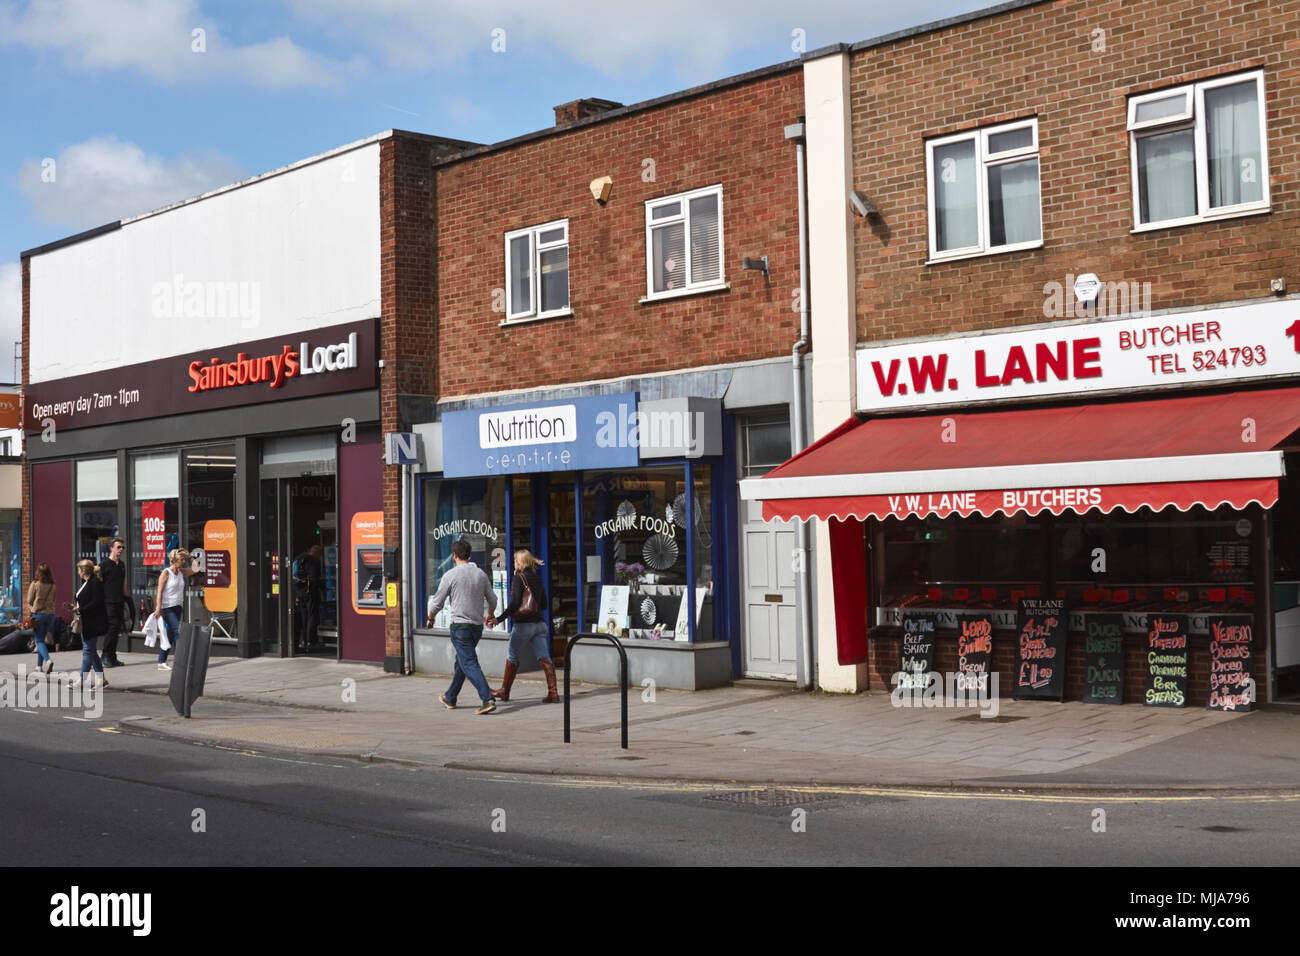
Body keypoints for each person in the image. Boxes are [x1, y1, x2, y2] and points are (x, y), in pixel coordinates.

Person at [425, 539, 498, 715]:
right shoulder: (480, 574)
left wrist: (431, 618)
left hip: (460, 627)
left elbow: (437, 602)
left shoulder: (450, 575)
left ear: (454, 556)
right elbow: (493, 599)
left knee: (469, 662)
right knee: (462, 662)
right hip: (476, 627)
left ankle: (487, 698)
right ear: (469, 554)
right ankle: (450, 697)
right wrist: (491, 614)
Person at [487, 549, 559, 703]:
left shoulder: (518, 578)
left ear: (520, 563)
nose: (513, 563)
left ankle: (504, 691)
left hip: (523, 625)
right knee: (544, 656)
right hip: (539, 624)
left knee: (512, 654)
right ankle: (553, 692)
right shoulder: (537, 578)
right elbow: (545, 604)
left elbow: (514, 603)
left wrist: (499, 619)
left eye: (515, 561)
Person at [153, 549, 200, 671]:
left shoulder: (181, 572)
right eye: (181, 559)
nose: (183, 562)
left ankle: (161, 661)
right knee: (177, 631)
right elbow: (159, 591)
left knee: (170, 635)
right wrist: (158, 608)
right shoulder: (166, 573)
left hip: (178, 606)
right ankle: (182, 662)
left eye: (184, 559)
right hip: (166, 608)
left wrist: (190, 556)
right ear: (174, 561)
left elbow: (196, 569)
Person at [69, 559, 109, 688]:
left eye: (79, 569)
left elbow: (96, 602)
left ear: (83, 570)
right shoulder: (87, 583)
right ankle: (101, 679)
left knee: (87, 651)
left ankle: (81, 680)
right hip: (85, 621)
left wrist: (80, 609)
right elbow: (84, 602)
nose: (78, 572)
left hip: (93, 622)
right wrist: (77, 612)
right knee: (91, 651)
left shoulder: (95, 583)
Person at [100, 537, 127, 667]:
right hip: (108, 602)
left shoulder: (121, 565)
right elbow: (99, 584)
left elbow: (123, 583)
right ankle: (105, 655)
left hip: (119, 601)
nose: (121, 550)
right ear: (111, 548)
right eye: (118, 547)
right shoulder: (104, 565)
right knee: (112, 628)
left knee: (117, 629)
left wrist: (127, 598)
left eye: (122, 547)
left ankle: (112, 656)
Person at [25, 562, 56, 675]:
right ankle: (39, 666)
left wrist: (32, 607)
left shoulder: (35, 584)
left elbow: (29, 600)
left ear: (38, 572)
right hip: (50, 615)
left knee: (38, 641)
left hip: (38, 615)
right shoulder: (53, 585)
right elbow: (53, 600)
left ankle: (48, 660)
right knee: (41, 640)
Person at [291, 544, 324, 649]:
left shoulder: (298, 558)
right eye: (319, 555)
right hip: (309, 593)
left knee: (303, 617)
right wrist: (322, 587)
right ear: (317, 553)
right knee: (312, 616)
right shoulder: (312, 560)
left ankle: (303, 640)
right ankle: (311, 640)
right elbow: (314, 578)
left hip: (299, 592)